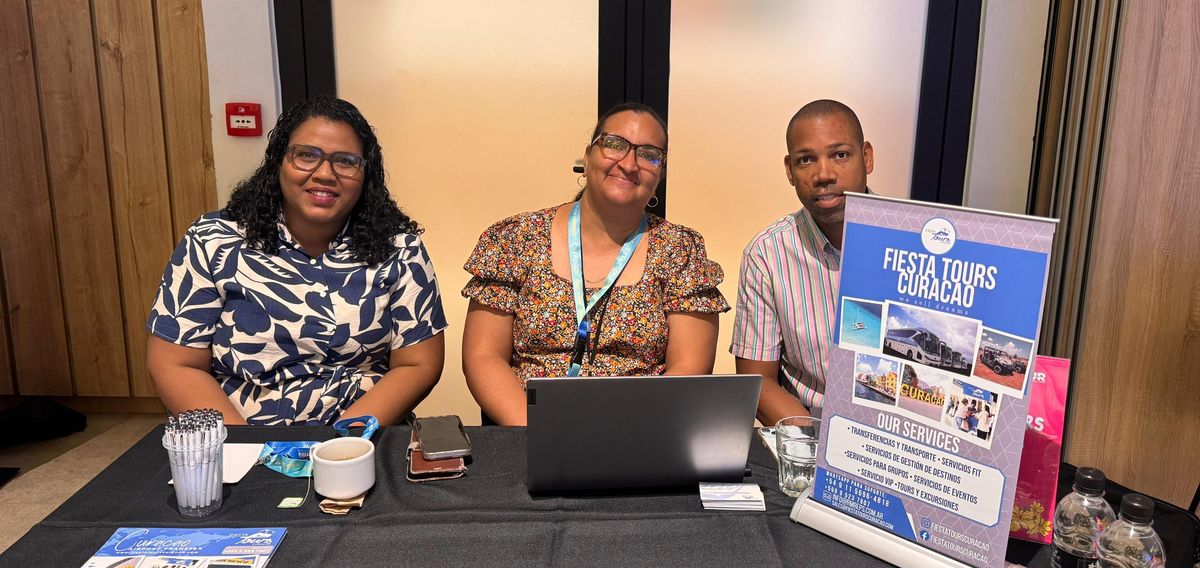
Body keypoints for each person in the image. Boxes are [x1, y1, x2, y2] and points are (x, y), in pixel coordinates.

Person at [146, 96, 447, 426]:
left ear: (366, 175)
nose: (324, 173)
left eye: (345, 161)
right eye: (307, 155)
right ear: (279, 162)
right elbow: (177, 363)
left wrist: (343, 445)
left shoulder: (400, 248)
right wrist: (246, 448)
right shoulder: (213, 239)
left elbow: (417, 364)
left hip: (362, 434)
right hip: (240, 432)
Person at [461, 102, 728, 425]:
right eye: (615, 144)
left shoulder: (679, 250)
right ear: (587, 158)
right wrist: (538, 433)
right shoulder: (515, 238)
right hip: (526, 432)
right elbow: (483, 356)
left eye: (649, 154)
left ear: (659, 176)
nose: (630, 164)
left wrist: (621, 438)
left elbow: (688, 369)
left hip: (640, 432)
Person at [730, 99, 873, 425]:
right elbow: (756, 381)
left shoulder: (917, 243)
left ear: (867, 157)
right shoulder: (767, 254)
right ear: (790, 170)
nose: (824, 174)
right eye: (806, 160)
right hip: (811, 431)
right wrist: (817, 447)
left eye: (840, 155)